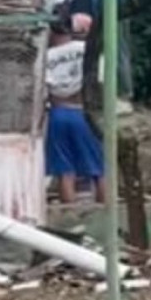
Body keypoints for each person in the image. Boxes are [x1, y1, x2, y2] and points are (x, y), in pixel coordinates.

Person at [44, 16, 105, 204]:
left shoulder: (45, 57)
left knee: (64, 169)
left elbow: (42, 89)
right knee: (99, 167)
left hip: (58, 113)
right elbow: (101, 81)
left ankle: (69, 211)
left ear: (50, 32)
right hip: (85, 113)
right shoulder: (87, 50)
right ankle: (105, 209)